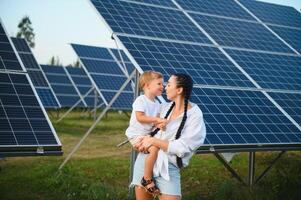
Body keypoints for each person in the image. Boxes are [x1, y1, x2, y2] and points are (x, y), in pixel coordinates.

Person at [131, 73, 206, 200]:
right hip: (145, 161)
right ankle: (146, 178)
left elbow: (183, 147)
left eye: (169, 84)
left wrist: (153, 141)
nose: (165, 87)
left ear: (179, 90)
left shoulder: (195, 115)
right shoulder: (164, 108)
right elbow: (146, 128)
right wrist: (141, 142)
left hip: (168, 166)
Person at [125, 71, 168, 195]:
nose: (163, 86)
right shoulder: (141, 100)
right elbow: (140, 118)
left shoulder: (158, 105)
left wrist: (161, 124)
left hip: (146, 136)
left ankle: (149, 176)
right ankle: (147, 179)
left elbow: (155, 123)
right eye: (159, 84)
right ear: (147, 85)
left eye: (163, 84)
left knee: (156, 148)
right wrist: (156, 119)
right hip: (135, 135)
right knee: (154, 149)